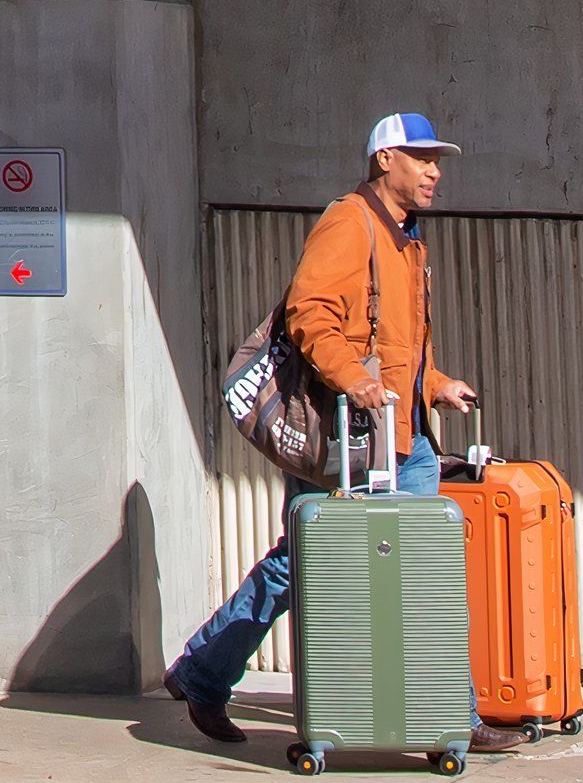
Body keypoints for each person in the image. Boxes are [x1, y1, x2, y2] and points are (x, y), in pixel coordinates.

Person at [165, 109, 481, 745]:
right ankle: (205, 671)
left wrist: (435, 384)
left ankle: (456, 719)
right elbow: (311, 314)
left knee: (420, 575)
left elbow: (393, 342)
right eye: (421, 158)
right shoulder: (350, 222)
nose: (434, 171)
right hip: (354, 439)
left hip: (407, 438)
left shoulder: (405, 235)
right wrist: (350, 378)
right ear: (384, 159)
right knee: (304, 563)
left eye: (437, 160)